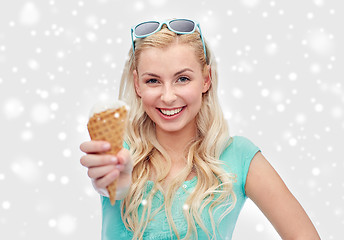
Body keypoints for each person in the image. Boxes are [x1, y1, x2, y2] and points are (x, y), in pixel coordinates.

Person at [80, 19, 320, 240]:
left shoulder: (238, 156)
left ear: (206, 79)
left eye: (182, 79)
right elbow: (111, 185)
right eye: (153, 81)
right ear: (137, 84)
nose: (168, 96)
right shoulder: (119, 154)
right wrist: (114, 182)